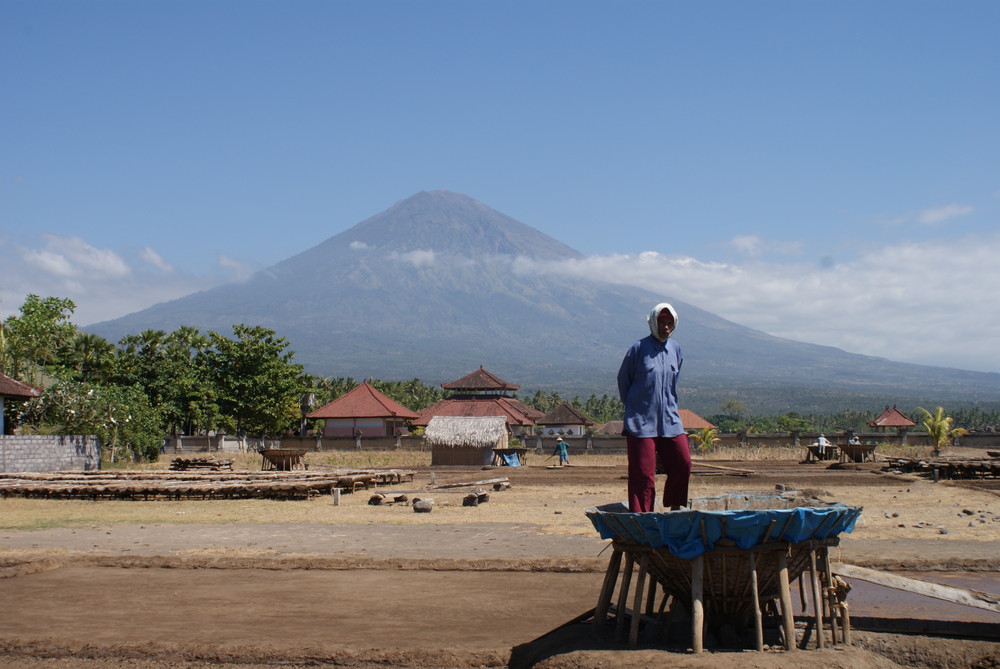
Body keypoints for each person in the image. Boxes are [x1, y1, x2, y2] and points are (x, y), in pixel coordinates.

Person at [617, 302, 691, 512]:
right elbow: (624, 380)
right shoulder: (638, 349)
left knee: (683, 462)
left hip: (670, 421)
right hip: (641, 423)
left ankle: (675, 506)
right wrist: (634, 409)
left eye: (670, 323)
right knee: (643, 474)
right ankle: (643, 519)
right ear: (652, 323)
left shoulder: (676, 349)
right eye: (661, 323)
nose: (665, 327)